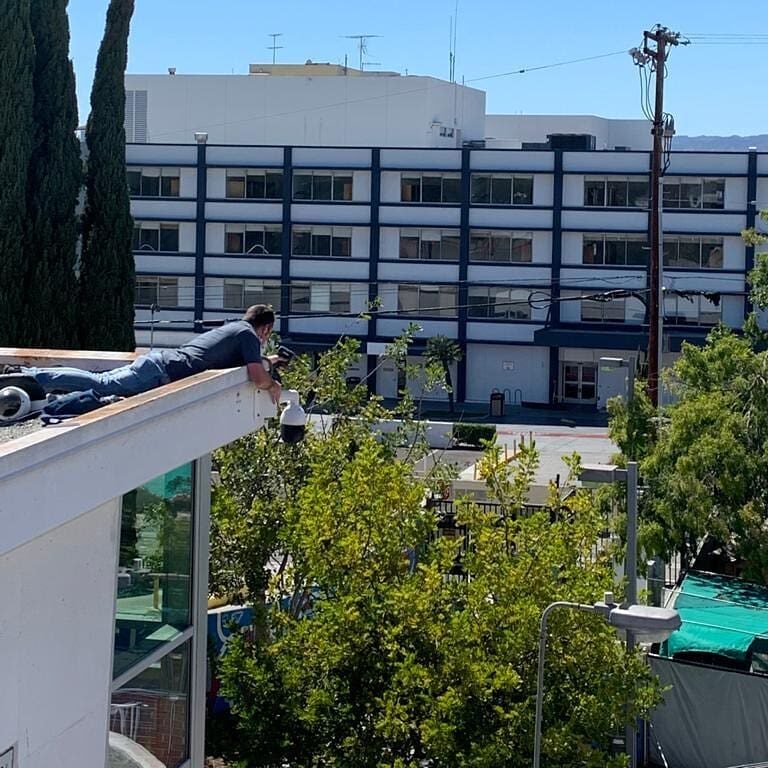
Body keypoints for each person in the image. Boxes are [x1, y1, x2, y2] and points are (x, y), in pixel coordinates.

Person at [7, 304, 283, 404]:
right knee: (100, 384)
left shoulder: (236, 328)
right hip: (160, 371)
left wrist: (272, 361)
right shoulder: (248, 335)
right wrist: (273, 384)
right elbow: (256, 376)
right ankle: (31, 376)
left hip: (157, 362)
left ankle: (31, 376)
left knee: (97, 381)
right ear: (266, 327)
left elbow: (254, 363)